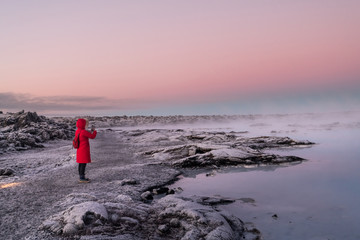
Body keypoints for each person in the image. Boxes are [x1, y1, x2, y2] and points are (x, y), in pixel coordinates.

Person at [75, 118, 97, 183]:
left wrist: (90, 131)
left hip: (79, 149)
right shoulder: (83, 131)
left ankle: (81, 177)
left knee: (81, 163)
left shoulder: (78, 131)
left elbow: (87, 134)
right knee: (83, 164)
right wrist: (94, 131)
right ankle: (82, 178)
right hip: (84, 150)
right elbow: (92, 136)